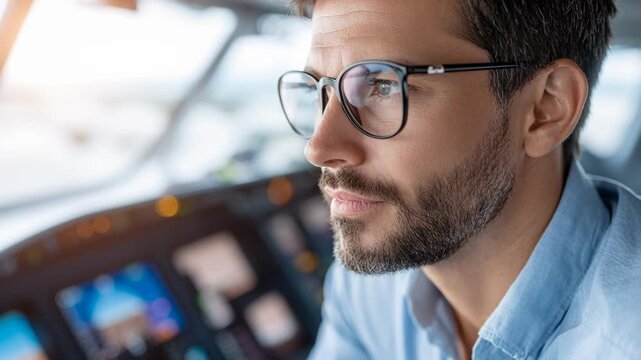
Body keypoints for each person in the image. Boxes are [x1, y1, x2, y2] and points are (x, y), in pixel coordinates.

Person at [277, 0, 641, 359]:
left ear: (545, 109)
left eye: (382, 86)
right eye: (318, 90)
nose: (319, 148)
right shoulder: (368, 288)